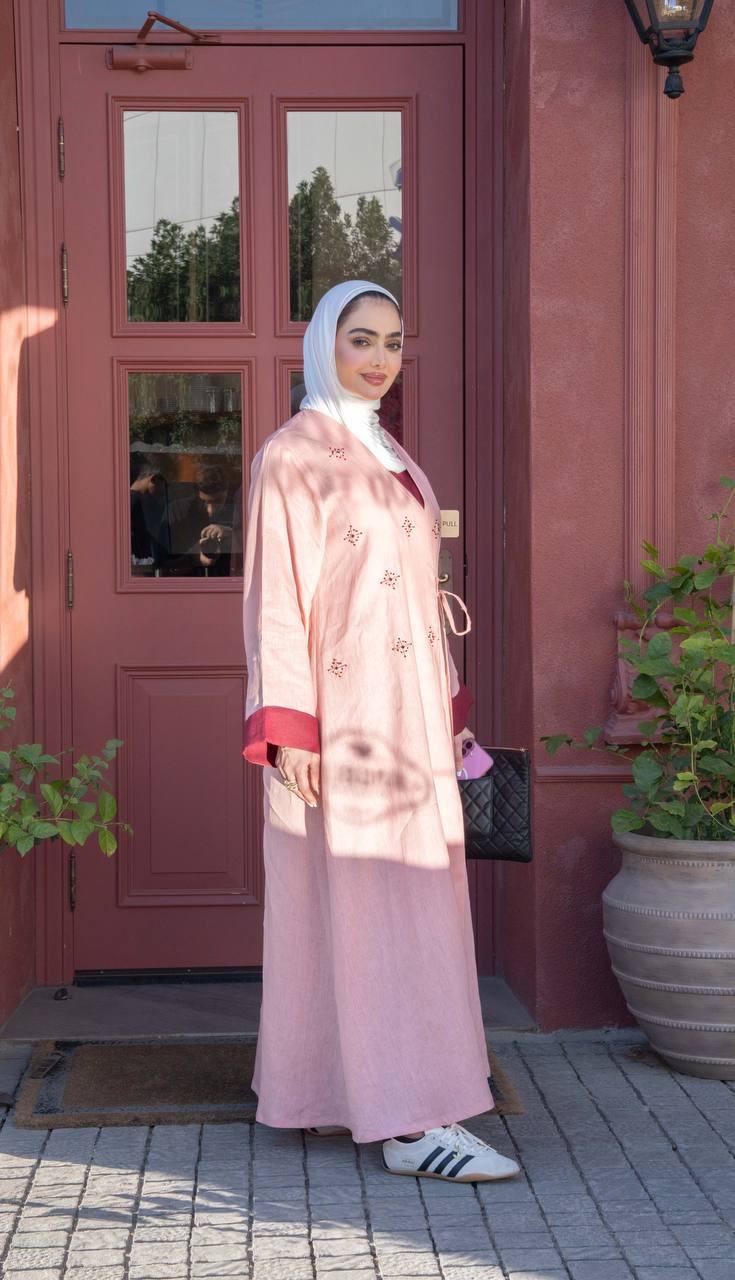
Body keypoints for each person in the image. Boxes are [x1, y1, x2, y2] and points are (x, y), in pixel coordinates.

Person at [242, 279, 520, 1184]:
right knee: (364, 903)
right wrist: (291, 731)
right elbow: (275, 602)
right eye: (360, 338)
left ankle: (340, 1092)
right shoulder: (293, 455)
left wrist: (445, 715)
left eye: (394, 342)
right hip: (341, 719)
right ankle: (410, 1124)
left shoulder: (390, 452)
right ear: (324, 343)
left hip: (405, 720)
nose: (377, 357)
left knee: (399, 902)